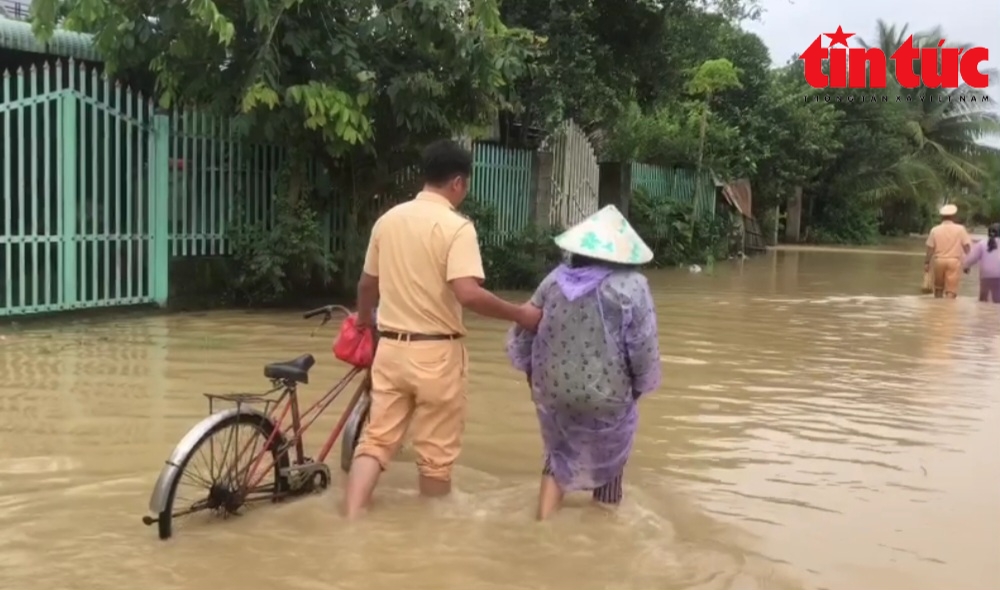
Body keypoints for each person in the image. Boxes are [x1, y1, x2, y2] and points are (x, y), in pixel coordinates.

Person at [343, 139, 542, 518]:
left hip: (390, 349)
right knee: (435, 456)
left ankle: (352, 518)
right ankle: (433, 537)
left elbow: (367, 286)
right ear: (458, 183)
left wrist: (364, 323)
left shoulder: (388, 221)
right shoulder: (456, 227)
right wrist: (520, 314)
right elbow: (468, 294)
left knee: (376, 441)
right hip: (436, 354)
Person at [505, 205, 662, 520]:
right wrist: (640, 388)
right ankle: (600, 528)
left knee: (558, 452)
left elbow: (524, 332)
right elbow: (642, 348)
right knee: (610, 457)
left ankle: (542, 522)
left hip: (555, 392)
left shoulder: (554, 281)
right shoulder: (632, 286)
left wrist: (531, 375)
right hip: (607, 395)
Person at [925, 203, 972, 299]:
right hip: (954, 262)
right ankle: (948, 310)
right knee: (951, 290)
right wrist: (968, 263)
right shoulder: (960, 229)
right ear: (953, 216)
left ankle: (938, 310)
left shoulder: (935, 230)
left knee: (938, 289)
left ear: (942, 217)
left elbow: (930, 248)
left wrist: (926, 263)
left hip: (939, 261)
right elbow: (967, 246)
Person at [963, 223, 1000, 303]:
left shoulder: (982, 244)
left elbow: (971, 258)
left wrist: (966, 267)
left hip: (985, 276)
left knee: (984, 302)